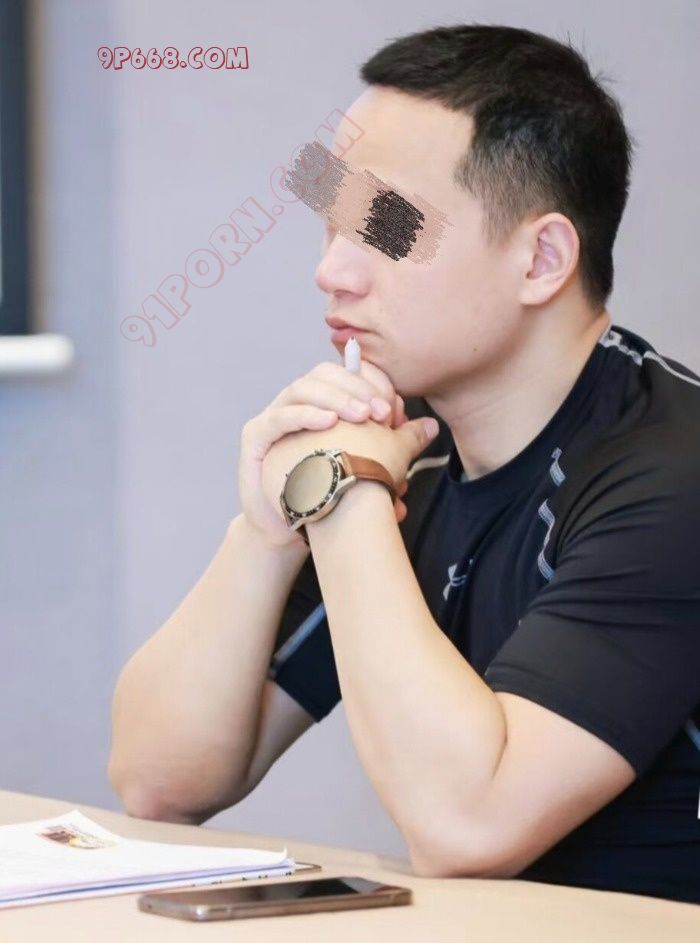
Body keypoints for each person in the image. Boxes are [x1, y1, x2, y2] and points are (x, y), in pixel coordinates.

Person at [108, 24, 700, 904]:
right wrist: (265, 532)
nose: (331, 272)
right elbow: (158, 779)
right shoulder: (402, 449)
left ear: (541, 259)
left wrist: (339, 494)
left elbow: (466, 826)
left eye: (387, 228)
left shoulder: (670, 476)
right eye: (330, 221)